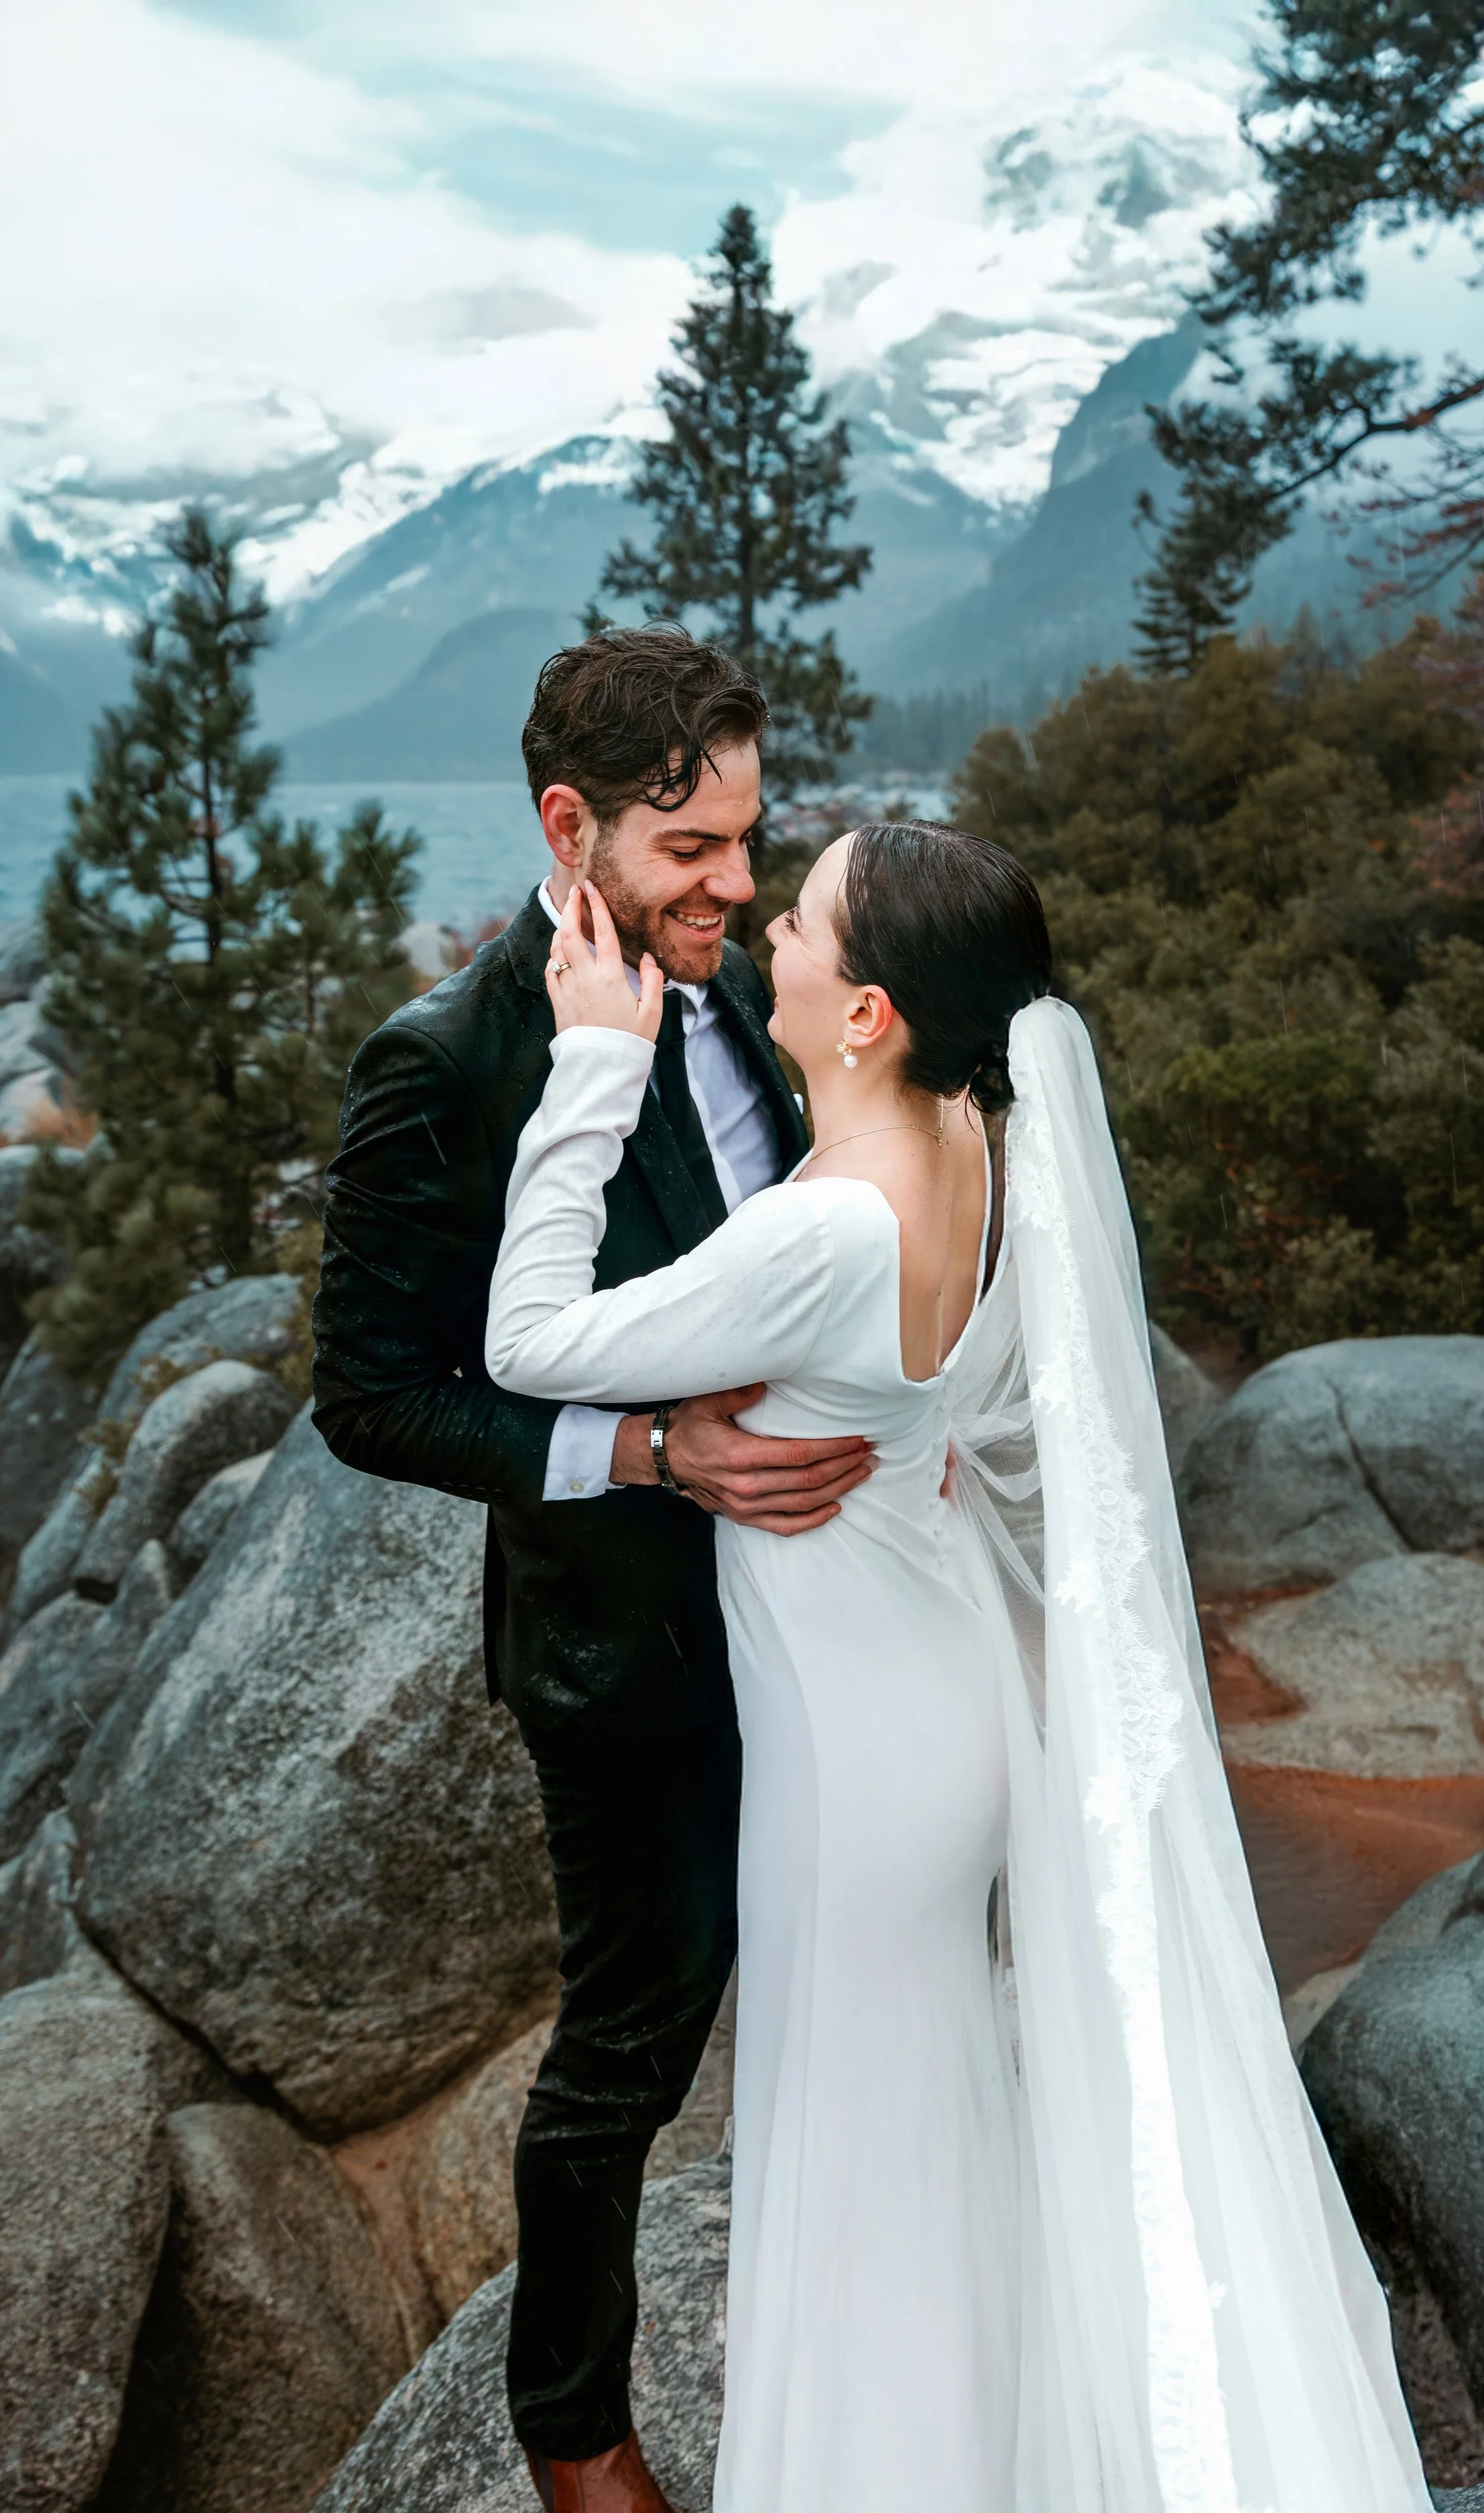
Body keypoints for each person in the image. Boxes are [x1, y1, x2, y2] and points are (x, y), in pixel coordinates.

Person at [484, 820, 1436, 2513]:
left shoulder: (825, 1226)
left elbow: (528, 1339)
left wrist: (586, 1067)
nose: (769, 925)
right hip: (941, 1707)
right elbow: (955, 1413)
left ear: (864, 1013)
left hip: (856, 1767)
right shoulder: (965, 1140)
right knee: (929, 2149)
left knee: (852, 2185)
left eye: (805, 916)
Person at [312, 626, 873, 2513]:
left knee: (825, 1961)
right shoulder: (441, 1063)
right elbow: (372, 1400)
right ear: (571, 825)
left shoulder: (736, 996)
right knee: (635, 2030)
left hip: (813, 1594)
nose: (734, 882)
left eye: (746, 837)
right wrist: (646, 1447)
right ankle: (573, 2431)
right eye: (689, 845)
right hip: (618, 1636)